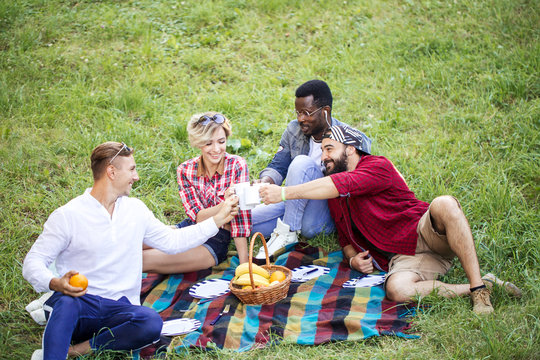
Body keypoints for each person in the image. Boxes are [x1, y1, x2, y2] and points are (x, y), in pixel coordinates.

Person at [259, 125, 521, 314]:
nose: (324, 156)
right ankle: (484, 283)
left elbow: (343, 183)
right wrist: (352, 259)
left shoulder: (376, 166)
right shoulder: (335, 196)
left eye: (329, 149)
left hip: (424, 231)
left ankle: (479, 292)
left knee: (444, 203)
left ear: (350, 149)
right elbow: (345, 238)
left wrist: (283, 193)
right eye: (323, 150)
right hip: (404, 259)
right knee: (397, 290)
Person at [23, 141, 239, 360]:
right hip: (80, 306)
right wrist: (55, 283)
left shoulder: (135, 210)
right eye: (132, 169)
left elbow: (173, 241)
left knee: (150, 322)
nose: (136, 176)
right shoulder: (68, 216)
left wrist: (216, 220)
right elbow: (33, 262)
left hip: (120, 311)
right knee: (66, 301)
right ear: (111, 172)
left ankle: (75, 351)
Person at [252, 80, 372, 259]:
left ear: (325, 111)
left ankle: (288, 232)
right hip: (293, 200)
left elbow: (358, 184)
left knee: (302, 163)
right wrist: (265, 182)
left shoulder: (352, 140)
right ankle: (287, 229)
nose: (301, 119)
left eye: (306, 113)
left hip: (324, 212)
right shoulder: (294, 129)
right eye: (298, 112)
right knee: (247, 222)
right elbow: (279, 164)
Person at [143, 112, 251, 273]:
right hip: (190, 228)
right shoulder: (185, 170)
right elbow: (198, 217)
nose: (216, 149)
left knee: (142, 260)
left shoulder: (237, 165)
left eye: (221, 142)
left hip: (215, 240)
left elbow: (240, 217)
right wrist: (225, 205)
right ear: (198, 143)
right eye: (208, 144)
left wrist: (244, 265)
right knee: (132, 243)